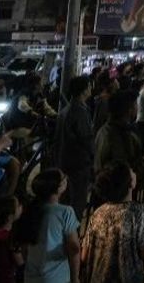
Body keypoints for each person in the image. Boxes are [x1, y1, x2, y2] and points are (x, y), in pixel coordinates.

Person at [80, 162, 144, 283]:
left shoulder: (98, 213)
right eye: (131, 171)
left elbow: (84, 255)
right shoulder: (140, 213)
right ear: (130, 183)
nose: (134, 172)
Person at [13, 169, 81, 283]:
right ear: (58, 188)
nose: (66, 178)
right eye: (63, 178)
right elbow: (74, 248)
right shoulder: (65, 212)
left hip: (31, 277)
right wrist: (75, 278)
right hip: (57, 278)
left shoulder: (30, 211)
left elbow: (24, 248)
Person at [54, 76, 95, 218]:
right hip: (78, 165)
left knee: (66, 202)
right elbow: (86, 139)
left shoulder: (66, 110)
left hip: (66, 162)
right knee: (77, 204)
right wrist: (93, 157)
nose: (91, 89)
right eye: (89, 86)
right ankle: (73, 230)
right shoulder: (79, 111)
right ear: (84, 90)